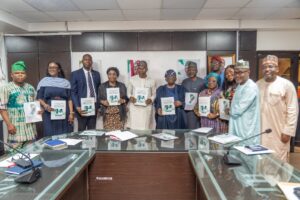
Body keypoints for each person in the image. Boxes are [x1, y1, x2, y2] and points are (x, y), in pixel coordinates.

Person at [257, 55, 298, 161]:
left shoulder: (287, 85)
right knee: (261, 158)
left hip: (279, 132)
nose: (267, 69)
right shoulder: (258, 84)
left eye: (271, 66)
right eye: (264, 67)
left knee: (279, 159)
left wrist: (288, 131)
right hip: (260, 131)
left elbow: (293, 109)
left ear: (277, 69)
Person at [0, 61, 39, 147]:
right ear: (11, 75)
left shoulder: (30, 87)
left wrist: (39, 111)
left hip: (30, 128)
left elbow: (35, 104)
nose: (20, 75)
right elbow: (2, 109)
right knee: (14, 154)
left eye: (22, 73)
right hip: (15, 127)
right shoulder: (6, 88)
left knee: (31, 153)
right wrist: (9, 124)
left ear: (26, 75)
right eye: (17, 73)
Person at [37, 62, 74, 136]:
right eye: (50, 67)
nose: (52, 69)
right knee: (49, 133)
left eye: (54, 67)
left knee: (65, 134)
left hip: (64, 112)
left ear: (59, 69)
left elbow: (69, 99)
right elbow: (39, 98)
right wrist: (45, 105)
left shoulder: (66, 82)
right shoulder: (43, 81)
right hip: (49, 112)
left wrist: (71, 113)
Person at [228, 60, 260, 144]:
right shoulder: (240, 85)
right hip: (237, 125)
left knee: (245, 152)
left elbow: (237, 109)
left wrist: (227, 110)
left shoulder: (250, 87)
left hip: (246, 128)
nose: (237, 75)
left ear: (248, 72)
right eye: (236, 72)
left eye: (241, 72)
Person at [71, 54, 101, 131]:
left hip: (94, 106)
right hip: (81, 107)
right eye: (85, 59)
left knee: (92, 131)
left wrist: (98, 106)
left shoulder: (96, 74)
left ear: (91, 62)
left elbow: (99, 90)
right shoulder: (75, 74)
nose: (88, 61)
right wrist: (77, 106)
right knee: (81, 131)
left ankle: (92, 143)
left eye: (89, 60)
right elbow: (73, 92)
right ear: (82, 61)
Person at [127, 61, 156, 130]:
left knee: (145, 128)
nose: (141, 70)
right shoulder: (132, 79)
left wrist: (151, 99)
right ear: (137, 69)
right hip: (134, 108)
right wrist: (131, 97)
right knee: (134, 127)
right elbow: (128, 92)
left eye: (143, 68)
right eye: (139, 68)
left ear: (147, 69)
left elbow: (154, 94)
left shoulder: (152, 80)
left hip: (146, 107)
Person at [182, 61, 205, 129]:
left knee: (199, 129)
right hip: (188, 111)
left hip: (199, 110)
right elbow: (182, 95)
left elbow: (205, 95)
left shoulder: (202, 82)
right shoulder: (184, 82)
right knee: (188, 130)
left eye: (193, 70)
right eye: (189, 70)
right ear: (187, 71)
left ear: (196, 70)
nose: (191, 71)